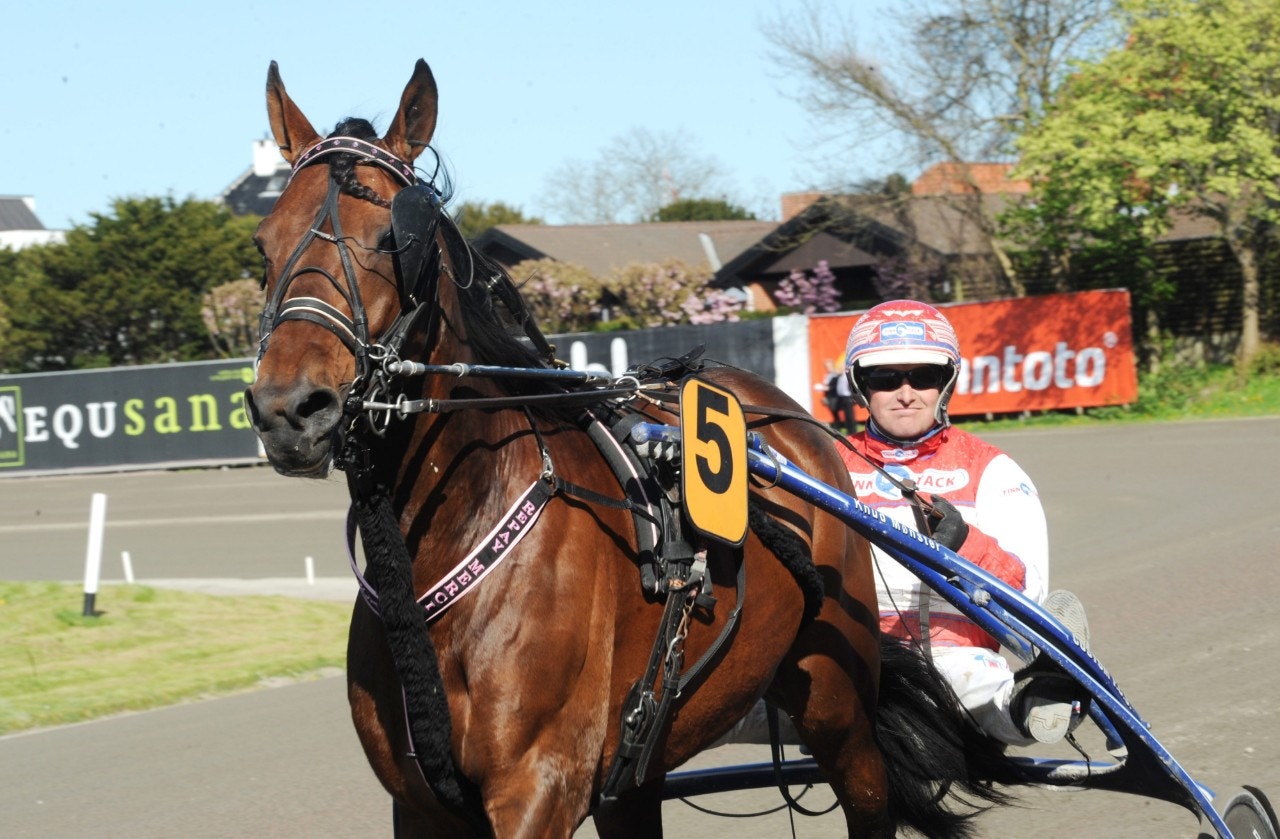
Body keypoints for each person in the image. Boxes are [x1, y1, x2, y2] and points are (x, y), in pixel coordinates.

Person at [840, 299, 1090, 746]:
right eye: (885, 378)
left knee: (982, 686)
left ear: (946, 383)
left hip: (953, 660)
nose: (905, 392)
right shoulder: (825, 465)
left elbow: (1030, 593)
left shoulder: (992, 469)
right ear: (861, 386)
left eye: (924, 376)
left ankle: (1040, 697)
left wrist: (964, 543)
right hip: (847, 659)